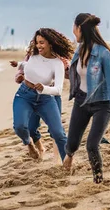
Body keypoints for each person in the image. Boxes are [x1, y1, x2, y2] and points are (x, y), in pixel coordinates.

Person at [63, 13, 110, 184]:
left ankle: (98, 180)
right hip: (81, 102)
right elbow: (80, 77)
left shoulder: (103, 54)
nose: (73, 32)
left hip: (102, 104)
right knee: (72, 144)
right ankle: (69, 156)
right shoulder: (78, 50)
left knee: (92, 145)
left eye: (74, 28)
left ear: (79, 29)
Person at [12, 28, 74, 162]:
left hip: (48, 95)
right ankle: (34, 145)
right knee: (28, 127)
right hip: (26, 94)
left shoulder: (60, 61)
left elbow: (66, 80)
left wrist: (66, 68)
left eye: (42, 42)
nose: (38, 45)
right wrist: (19, 75)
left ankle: (62, 161)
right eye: (37, 42)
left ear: (51, 43)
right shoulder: (32, 54)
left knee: (57, 132)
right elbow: (25, 66)